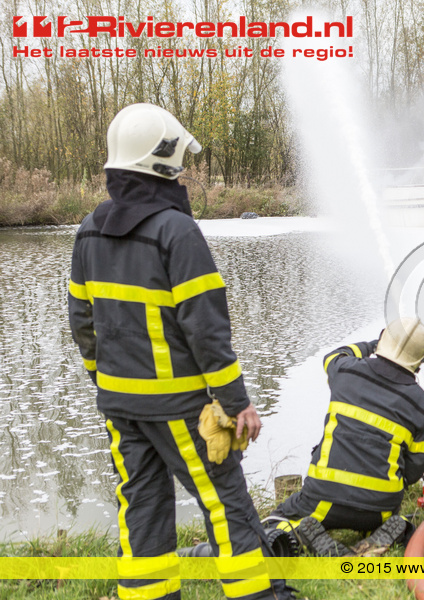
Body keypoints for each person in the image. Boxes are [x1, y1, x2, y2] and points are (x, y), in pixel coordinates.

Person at [67, 103, 293, 600]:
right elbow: (207, 331)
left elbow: (82, 323)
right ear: (164, 160)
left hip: (119, 405)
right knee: (225, 500)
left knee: (142, 506)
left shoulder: (88, 230)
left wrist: (105, 380)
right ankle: (260, 594)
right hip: (180, 407)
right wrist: (236, 402)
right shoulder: (176, 231)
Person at [269, 318, 424, 557]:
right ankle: (387, 530)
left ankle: (298, 534)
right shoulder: (421, 404)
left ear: (382, 340)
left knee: (277, 520)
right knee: (397, 518)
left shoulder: (346, 370)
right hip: (380, 507)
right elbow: (416, 466)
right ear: (423, 359)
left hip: (323, 500)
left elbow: (333, 356)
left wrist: (373, 345)